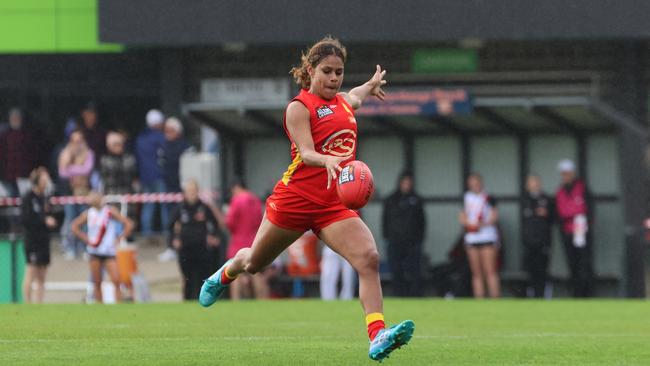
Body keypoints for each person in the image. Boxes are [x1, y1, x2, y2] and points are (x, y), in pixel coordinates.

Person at [198, 37, 414, 361]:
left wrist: (369, 85)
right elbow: (308, 152)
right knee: (255, 264)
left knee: (368, 258)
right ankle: (225, 273)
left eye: (339, 72)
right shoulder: (299, 107)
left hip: (332, 206)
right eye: (327, 71)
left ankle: (377, 335)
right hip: (295, 201)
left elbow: (353, 97)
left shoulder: (343, 101)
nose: (333, 78)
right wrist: (326, 160)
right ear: (311, 70)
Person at [70, 191, 134, 303]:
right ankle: (100, 307)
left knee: (116, 279)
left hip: (108, 252)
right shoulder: (88, 213)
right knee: (97, 282)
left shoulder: (109, 211)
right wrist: (85, 238)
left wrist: (119, 238)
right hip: (95, 252)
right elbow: (74, 226)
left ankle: (118, 304)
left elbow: (128, 224)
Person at [170, 180, 221, 300]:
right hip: (185, 249)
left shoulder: (203, 207)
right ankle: (187, 301)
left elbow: (215, 224)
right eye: (189, 191)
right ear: (185, 193)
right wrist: (173, 240)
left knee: (203, 277)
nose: (191, 194)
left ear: (197, 192)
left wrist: (213, 236)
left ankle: (203, 300)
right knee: (187, 278)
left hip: (201, 248)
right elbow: (170, 227)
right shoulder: (180, 208)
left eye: (193, 191)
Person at [381, 172, 426, 297]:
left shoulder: (416, 200)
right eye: (404, 183)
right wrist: (387, 237)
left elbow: (422, 221)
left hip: (413, 242)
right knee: (396, 269)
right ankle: (398, 293)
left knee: (414, 269)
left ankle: (415, 294)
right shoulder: (391, 200)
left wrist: (419, 239)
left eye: (409, 183)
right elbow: (385, 221)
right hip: (395, 241)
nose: (406, 185)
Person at [555, 159, 593, 297]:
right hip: (567, 231)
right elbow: (559, 213)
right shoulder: (560, 191)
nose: (565, 176)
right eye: (563, 174)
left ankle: (587, 294)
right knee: (572, 263)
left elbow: (588, 210)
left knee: (584, 263)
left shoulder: (582, 188)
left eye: (568, 173)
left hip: (581, 229)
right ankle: (576, 293)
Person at [223, 178, 266, 300]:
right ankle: (261, 300)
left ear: (236, 187)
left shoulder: (236, 200)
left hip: (238, 242)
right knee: (257, 273)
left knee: (234, 273)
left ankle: (236, 301)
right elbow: (260, 220)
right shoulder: (255, 199)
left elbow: (229, 222)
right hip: (254, 241)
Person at [459, 173, 500, 298]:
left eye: (476, 182)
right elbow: (462, 216)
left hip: (487, 237)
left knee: (490, 271)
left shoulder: (488, 197)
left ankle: (495, 299)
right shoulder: (466, 198)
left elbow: (494, 216)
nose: (474, 185)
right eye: (472, 182)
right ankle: (479, 300)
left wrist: (484, 224)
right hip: (472, 238)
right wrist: (469, 224)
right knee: (476, 273)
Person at [20, 167, 57, 303]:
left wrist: (50, 221)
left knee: (42, 275)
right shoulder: (28, 197)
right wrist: (43, 220)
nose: (46, 182)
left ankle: (39, 305)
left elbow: (50, 215)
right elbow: (25, 219)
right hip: (32, 240)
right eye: (44, 179)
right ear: (37, 181)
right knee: (31, 271)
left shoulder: (45, 198)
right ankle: (28, 303)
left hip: (44, 240)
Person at [158, 117, 191, 262]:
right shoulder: (163, 146)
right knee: (170, 221)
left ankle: (185, 246)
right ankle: (170, 247)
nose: (167, 133)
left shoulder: (185, 147)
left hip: (182, 189)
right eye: (166, 131)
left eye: (171, 131)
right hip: (168, 189)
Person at [58, 129, 95, 259]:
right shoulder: (65, 154)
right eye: (74, 141)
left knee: (85, 222)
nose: (77, 144)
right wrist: (77, 170)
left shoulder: (89, 153)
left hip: (84, 193)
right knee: (70, 221)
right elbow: (62, 173)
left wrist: (71, 169)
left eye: (79, 141)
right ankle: (70, 248)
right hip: (69, 194)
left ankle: (85, 247)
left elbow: (87, 170)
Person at [522, 175, 554, 298]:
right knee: (530, 270)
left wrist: (547, 214)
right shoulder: (525, 200)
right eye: (531, 182)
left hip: (543, 241)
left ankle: (543, 295)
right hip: (529, 242)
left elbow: (554, 219)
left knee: (542, 270)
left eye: (535, 182)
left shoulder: (547, 200)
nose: (533, 185)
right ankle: (531, 295)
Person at [136, 109, 167, 238]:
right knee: (165, 206)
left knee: (148, 206)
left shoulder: (140, 139)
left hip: (145, 177)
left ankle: (146, 233)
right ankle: (167, 234)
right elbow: (165, 155)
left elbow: (137, 160)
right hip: (160, 176)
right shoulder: (160, 137)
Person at [0, 108, 40, 197]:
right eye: (13, 118)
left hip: (24, 176)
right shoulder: (4, 136)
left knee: (25, 199)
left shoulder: (28, 136)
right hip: (7, 176)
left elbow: (33, 155)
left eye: (17, 118)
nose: (15, 120)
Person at [79, 102, 106, 167]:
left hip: (97, 168)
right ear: (83, 114)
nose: (90, 116)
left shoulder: (102, 133)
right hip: (80, 167)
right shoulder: (78, 133)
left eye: (92, 113)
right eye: (87, 113)